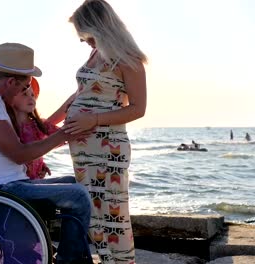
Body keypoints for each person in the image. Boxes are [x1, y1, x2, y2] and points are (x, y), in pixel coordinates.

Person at [0, 42, 92, 264]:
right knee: (78, 196)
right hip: (0, 189)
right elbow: (19, 154)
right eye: (24, 87)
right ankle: (70, 260)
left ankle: (67, 255)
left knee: (72, 182)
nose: (25, 93)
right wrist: (64, 135)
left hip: (9, 182)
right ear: (11, 82)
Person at [65, 1, 147, 263]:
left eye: (84, 34)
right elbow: (78, 95)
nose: (82, 40)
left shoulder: (128, 60)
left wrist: (94, 121)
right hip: (84, 149)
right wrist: (48, 122)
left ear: (98, 27)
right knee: (91, 211)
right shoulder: (93, 55)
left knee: (113, 216)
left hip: (107, 148)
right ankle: (106, 259)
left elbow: (138, 108)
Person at [7, 77, 76, 179]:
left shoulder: (40, 125)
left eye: (33, 95)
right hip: (18, 180)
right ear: (12, 98)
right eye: (25, 94)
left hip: (35, 180)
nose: (31, 98)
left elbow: (62, 135)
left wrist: (41, 164)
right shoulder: (7, 126)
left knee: (72, 181)